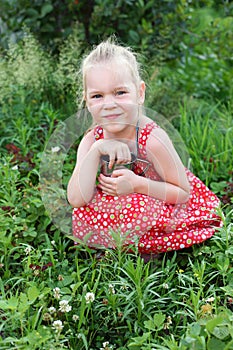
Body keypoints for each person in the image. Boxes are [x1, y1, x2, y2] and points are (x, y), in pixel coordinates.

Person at [67, 37, 222, 255]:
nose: (109, 104)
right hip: (123, 205)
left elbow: (182, 193)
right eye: (97, 96)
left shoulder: (152, 140)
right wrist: (96, 151)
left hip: (163, 199)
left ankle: (146, 251)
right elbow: (76, 199)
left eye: (120, 92)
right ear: (87, 101)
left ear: (140, 93)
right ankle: (125, 242)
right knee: (83, 213)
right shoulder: (93, 140)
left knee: (135, 209)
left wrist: (137, 184)